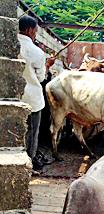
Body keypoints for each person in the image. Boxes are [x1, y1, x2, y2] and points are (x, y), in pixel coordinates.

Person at [17, 15, 56, 172]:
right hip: (31, 99)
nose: (35, 34)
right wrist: (47, 65)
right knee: (32, 132)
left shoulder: (9, 44)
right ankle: (29, 163)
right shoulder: (36, 52)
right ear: (29, 30)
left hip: (13, 97)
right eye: (35, 31)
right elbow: (40, 78)